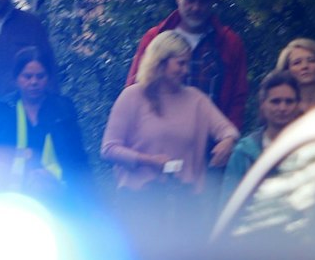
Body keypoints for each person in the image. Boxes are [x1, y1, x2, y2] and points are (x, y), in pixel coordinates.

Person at [102, 30, 240, 209]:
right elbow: (109, 149)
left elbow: (228, 130)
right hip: (138, 200)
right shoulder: (132, 96)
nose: (186, 71)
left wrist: (228, 141)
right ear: (160, 62)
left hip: (184, 202)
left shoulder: (196, 99)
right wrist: (148, 160)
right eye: (181, 64)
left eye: (187, 64)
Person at [125, 0, 251, 132]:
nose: (196, 8)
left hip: (208, 140)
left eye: (203, 2)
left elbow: (237, 97)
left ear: (213, 1)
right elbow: (135, 84)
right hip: (156, 137)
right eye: (190, 0)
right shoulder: (154, 37)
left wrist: (228, 139)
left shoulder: (229, 43)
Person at [0, 47, 92, 202]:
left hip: (59, 194)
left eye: (40, 76)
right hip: (11, 194)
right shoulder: (1, 110)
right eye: (27, 77)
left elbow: (77, 156)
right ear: (16, 79)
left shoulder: (63, 109)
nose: (34, 82)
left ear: (48, 78)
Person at [222, 70, 304, 194]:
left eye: (289, 101)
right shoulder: (244, 152)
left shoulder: (309, 148)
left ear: (298, 105)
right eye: (275, 101)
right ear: (263, 104)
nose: (282, 108)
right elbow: (229, 202)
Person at [275, 37, 315, 113]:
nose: (304, 66)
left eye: (311, 60)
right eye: (297, 63)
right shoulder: (281, 107)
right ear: (287, 70)